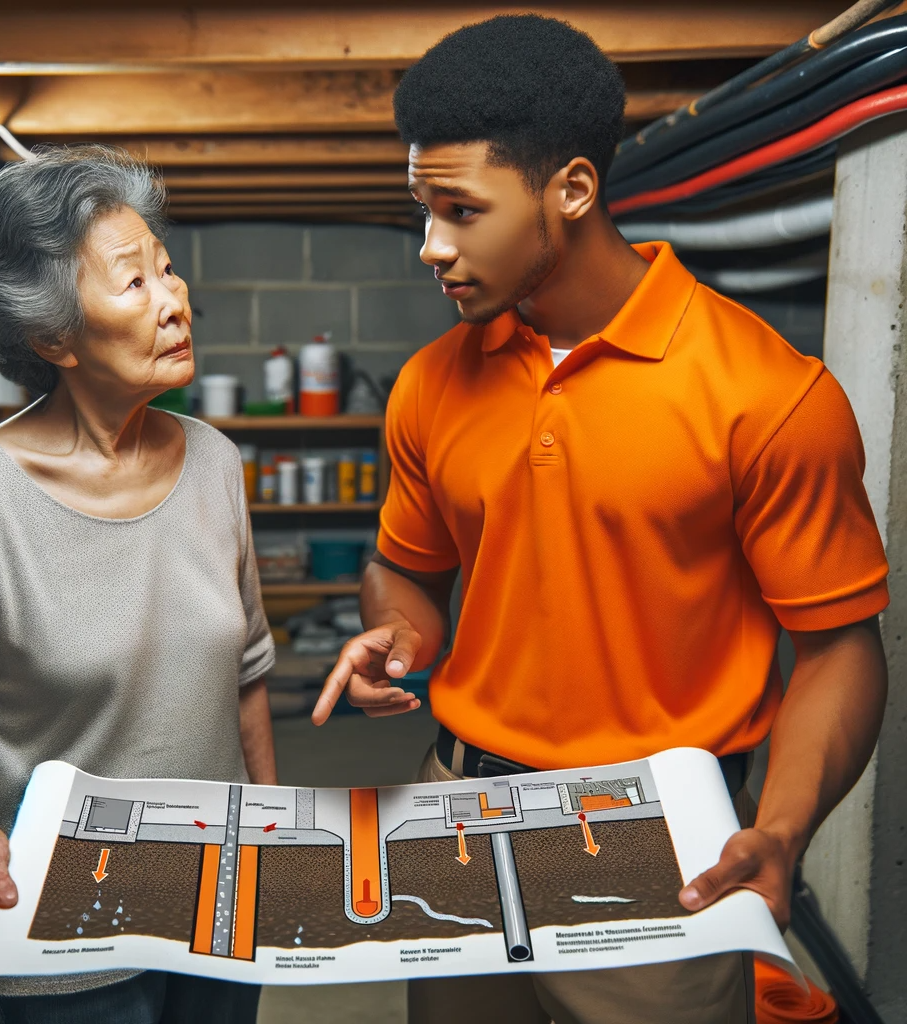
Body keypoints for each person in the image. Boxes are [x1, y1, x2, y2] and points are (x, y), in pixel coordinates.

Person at [312, 15, 889, 1024]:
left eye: (460, 210)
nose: (430, 247)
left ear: (572, 189)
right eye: (422, 208)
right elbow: (407, 567)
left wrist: (784, 828)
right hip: (456, 810)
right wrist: (397, 632)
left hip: (655, 841)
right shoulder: (431, 382)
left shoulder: (765, 394)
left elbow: (840, 651)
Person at [0, 147, 275, 1023]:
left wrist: (268, 859)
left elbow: (246, 672)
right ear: (53, 338)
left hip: (217, 903)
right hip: (58, 925)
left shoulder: (214, 463)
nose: (174, 300)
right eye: (134, 285)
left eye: (165, 269)